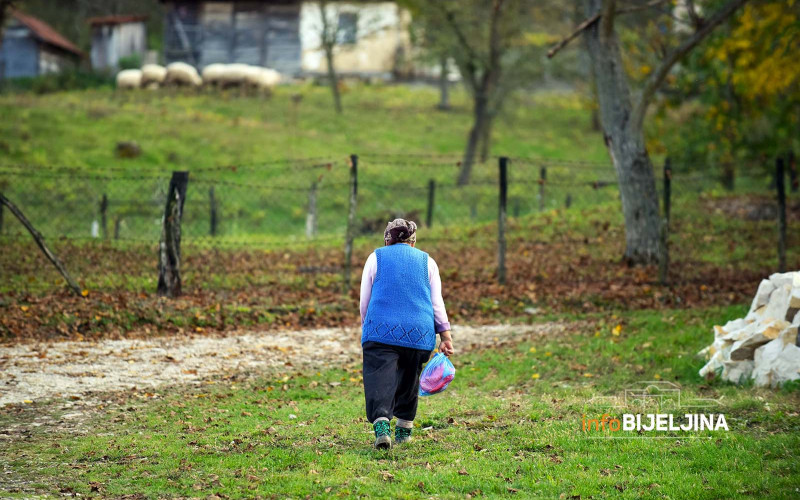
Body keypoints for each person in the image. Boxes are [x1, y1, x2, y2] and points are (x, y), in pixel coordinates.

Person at [359, 218, 454, 449]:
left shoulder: (376, 257)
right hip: (419, 334)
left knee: (379, 374)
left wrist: (368, 325)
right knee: (410, 376)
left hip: (380, 330)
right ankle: (404, 428)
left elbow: (365, 299)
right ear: (413, 242)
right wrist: (445, 334)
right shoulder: (427, 262)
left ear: (387, 239)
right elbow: (436, 302)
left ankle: (382, 424)